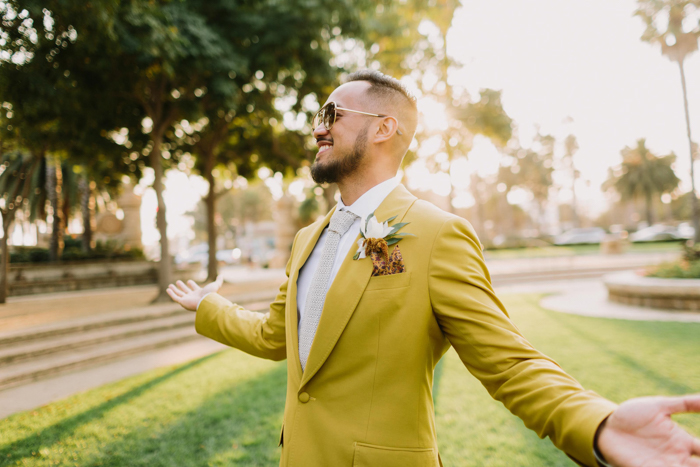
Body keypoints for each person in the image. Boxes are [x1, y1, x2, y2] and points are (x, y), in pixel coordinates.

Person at [167, 70, 700, 467]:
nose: (317, 130)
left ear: (384, 128)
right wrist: (207, 307)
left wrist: (599, 424)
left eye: (331, 116)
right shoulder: (308, 239)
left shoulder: (437, 235)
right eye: (317, 118)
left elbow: (508, 363)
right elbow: (274, 335)